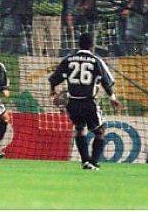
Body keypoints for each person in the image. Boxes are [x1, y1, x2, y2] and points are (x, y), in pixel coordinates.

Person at [49, 33, 122, 170]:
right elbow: (107, 81)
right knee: (100, 131)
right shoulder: (96, 60)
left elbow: (54, 78)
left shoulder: (68, 59)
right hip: (89, 102)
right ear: (91, 45)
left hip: (72, 103)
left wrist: (53, 90)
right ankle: (93, 161)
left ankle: (85, 161)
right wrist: (112, 97)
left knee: (80, 129)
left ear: (79, 44)